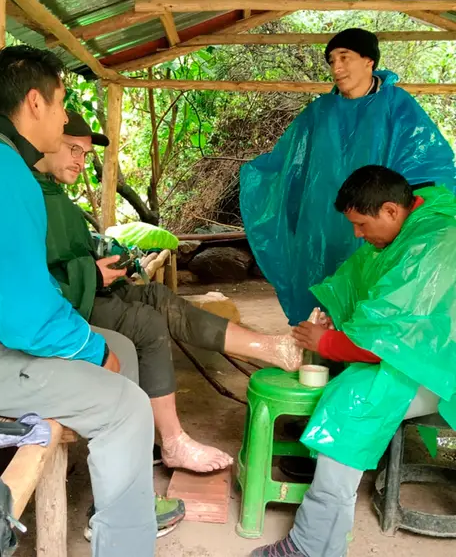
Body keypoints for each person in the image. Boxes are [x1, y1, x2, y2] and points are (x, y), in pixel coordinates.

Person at [0, 45, 179, 556]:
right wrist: (89, 350)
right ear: (35, 102)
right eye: (61, 103)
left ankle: (115, 502)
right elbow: (23, 316)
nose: (63, 118)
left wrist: (96, 346)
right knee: (127, 404)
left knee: (120, 345)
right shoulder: (1, 171)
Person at [36, 110, 303, 475]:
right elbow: (36, 278)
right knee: (146, 323)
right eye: (73, 150)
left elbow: (74, 252)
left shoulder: (56, 195)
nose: (81, 162)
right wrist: (91, 275)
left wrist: (107, 267)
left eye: (85, 154)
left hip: (86, 290)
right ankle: (173, 441)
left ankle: (272, 347)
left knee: (158, 297)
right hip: (63, 307)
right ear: (47, 136)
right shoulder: (27, 193)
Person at [251, 166, 456, 557]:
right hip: (424, 358)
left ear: (391, 210)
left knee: (350, 405)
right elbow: (368, 291)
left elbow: (391, 342)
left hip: (444, 370)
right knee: (350, 391)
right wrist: (337, 322)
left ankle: (308, 546)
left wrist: (329, 343)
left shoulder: (434, 244)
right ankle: (322, 541)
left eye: (362, 224)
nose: (358, 235)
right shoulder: (412, 224)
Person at [240, 28, 456, 326]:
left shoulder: (397, 106)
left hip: (375, 225)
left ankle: (355, 344)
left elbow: (429, 164)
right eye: (331, 60)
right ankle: (320, 345)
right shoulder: (319, 112)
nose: (336, 67)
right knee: (320, 297)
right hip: (320, 229)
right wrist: (256, 176)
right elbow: (289, 164)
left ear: (369, 61)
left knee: (368, 294)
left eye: (344, 57)